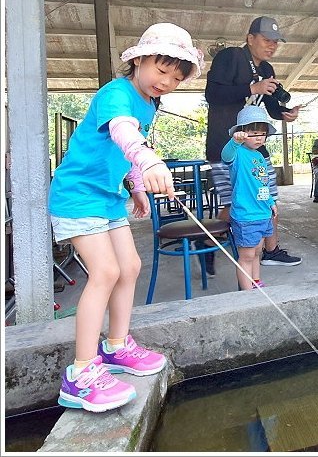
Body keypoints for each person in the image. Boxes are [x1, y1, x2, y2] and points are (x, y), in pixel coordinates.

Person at [48, 23, 204, 412]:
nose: (166, 81)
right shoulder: (116, 93)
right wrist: (149, 160)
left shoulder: (150, 104)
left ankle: (116, 346)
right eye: (160, 70)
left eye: (176, 77)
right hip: (79, 196)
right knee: (104, 272)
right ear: (137, 60)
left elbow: (125, 150)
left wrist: (136, 184)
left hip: (109, 197)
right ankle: (80, 374)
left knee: (130, 266)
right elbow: (123, 132)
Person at [204, 16, 302, 271]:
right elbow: (212, 94)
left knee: (268, 197)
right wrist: (251, 87)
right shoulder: (230, 57)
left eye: (276, 42)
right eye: (266, 40)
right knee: (234, 201)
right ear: (250, 39)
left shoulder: (267, 69)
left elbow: (269, 106)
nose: (272, 46)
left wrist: (285, 113)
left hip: (257, 147)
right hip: (228, 147)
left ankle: (271, 250)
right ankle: (206, 240)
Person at [222, 106, 278, 290]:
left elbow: (264, 183)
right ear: (242, 133)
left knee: (256, 253)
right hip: (246, 215)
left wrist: (271, 202)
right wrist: (234, 141)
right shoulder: (237, 153)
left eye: (262, 134)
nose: (259, 138)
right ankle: (246, 296)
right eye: (254, 133)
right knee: (246, 256)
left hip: (262, 213)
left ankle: (256, 283)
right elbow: (225, 155)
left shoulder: (260, 156)